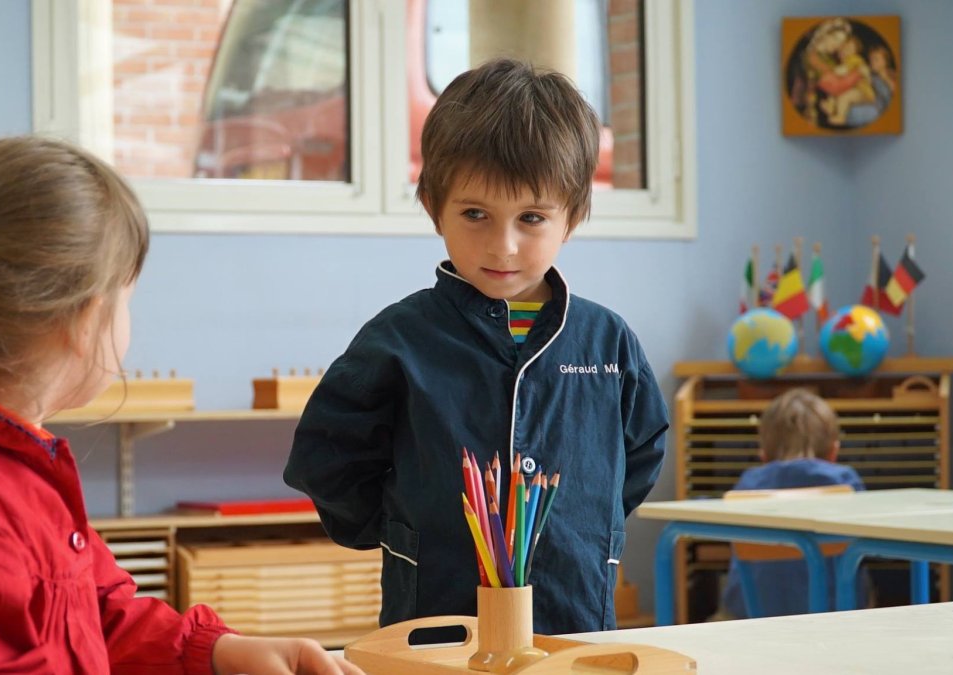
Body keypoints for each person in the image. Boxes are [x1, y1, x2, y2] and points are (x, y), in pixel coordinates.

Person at [0, 137, 361, 674]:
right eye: (127, 299)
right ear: (86, 319)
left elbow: (97, 616)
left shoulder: (12, 480)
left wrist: (218, 652)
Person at [283, 58, 668, 635]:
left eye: (531, 217)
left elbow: (640, 456)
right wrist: (398, 528)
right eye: (475, 214)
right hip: (435, 623)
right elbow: (327, 456)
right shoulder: (399, 339)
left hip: (574, 620)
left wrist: (591, 527)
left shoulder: (607, 341)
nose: (503, 245)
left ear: (572, 217)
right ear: (434, 207)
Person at [719, 388, 867, 619]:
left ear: (763, 455)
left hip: (752, 615)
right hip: (834, 616)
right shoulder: (846, 484)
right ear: (833, 452)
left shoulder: (748, 485)